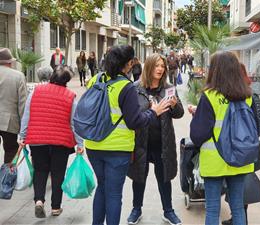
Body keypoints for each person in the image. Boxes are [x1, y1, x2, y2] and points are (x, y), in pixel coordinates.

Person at [84, 45, 171, 225]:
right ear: (129, 64)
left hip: (93, 145)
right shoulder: (126, 86)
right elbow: (135, 121)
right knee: (114, 193)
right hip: (117, 149)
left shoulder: (95, 79)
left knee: (102, 187)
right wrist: (153, 112)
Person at [190, 51, 259, 225]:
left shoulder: (210, 96)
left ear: (215, 70)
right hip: (241, 159)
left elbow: (198, 134)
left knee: (213, 209)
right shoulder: (248, 96)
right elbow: (256, 127)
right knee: (237, 207)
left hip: (215, 160)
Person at [18, 65, 84, 218]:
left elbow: (26, 115)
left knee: (40, 171)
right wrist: (80, 143)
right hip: (60, 141)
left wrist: (22, 136)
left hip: (37, 139)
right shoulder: (70, 96)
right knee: (58, 173)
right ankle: (56, 207)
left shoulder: (36, 91)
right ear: (67, 81)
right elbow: (74, 123)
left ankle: (39, 200)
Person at [127, 53, 184, 225]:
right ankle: (136, 209)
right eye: (157, 65)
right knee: (139, 178)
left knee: (164, 178)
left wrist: (174, 106)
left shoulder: (168, 88)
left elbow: (179, 114)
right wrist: (152, 110)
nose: (160, 69)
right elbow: (132, 115)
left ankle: (168, 211)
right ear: (149, 67)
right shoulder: (135, 88)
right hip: (141, 142)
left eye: (162, 66)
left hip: (162, 142)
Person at [222, 63, 260, 225]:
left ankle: (242, 220)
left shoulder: (251, 95)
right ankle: (237, 218)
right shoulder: (226, 95)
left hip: (247, 150)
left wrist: (246, 139)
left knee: (242, 187)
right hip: (235, 150)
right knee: (235, 186)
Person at [0, 48, 27, 164]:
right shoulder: (18, 76)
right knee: (11, 150)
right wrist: (24, 126)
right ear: (10, 62)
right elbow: (23, 103)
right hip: (9, 121)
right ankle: (6, 178)